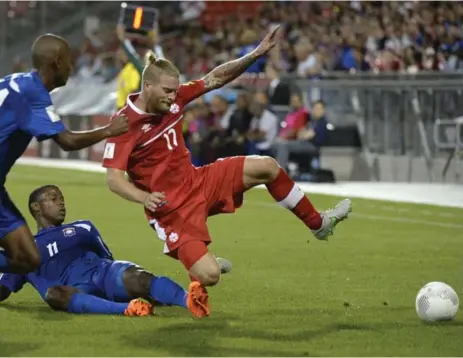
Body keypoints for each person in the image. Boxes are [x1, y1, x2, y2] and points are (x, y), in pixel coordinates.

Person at [102, 25, 351, 300]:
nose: (174, 98)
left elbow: (214, 79)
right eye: (167, 91)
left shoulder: (174, 99)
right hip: (171, 208)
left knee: (267, 166)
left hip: (200, 181)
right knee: (210, 276)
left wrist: (255, 54)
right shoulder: (124, 124)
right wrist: (144, 198)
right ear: (147, 86)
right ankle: (200, 266)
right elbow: (114, 179)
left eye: (175, 91)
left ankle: (318, 224)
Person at [0, 33, 128, 276]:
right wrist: (109, 130)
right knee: (26, 258)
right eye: (70, 60)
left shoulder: (17, 81)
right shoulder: (33, 92)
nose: (72, 66)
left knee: (27, 259)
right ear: (57, 62)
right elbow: (66, 141)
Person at [0, 185, 210, 318]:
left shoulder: (84, 227)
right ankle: (128, 308)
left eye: (62, 198)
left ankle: (190, 301)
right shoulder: (23, 252)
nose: (61, 203)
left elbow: (107, 258)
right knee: (54, 294)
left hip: (102, 273)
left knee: (135, 276)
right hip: (76, 291)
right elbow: (4, 289)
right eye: (53, 199)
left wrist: (119, 276)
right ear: (36, 207)